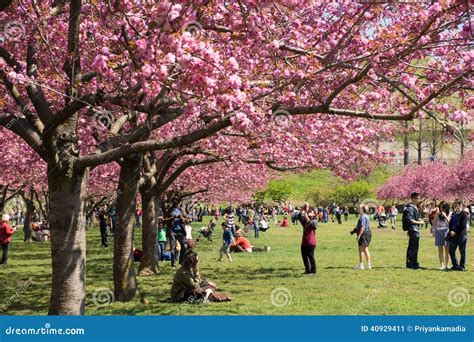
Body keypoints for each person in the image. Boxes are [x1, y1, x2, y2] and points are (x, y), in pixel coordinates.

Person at [402, 192, 427, 270]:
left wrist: (422, 219)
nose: (419, 199)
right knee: (414, 247)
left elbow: (415, 218)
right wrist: (420, 222)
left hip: (415, 229)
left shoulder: (414, 207)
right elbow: (409, 220)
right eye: (418, 198)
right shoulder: (410, 208)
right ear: (413, 199)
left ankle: (412, 263)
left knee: (413, 247)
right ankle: (412, 264)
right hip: (413, 230)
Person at [165, 198, 187, 268]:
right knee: (173, 248)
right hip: (172, 231)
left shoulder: (180, 210)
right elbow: (165, 220)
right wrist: (172, 218)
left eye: (176, 201)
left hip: (180, 231)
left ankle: (181, 261)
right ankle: (173, 264)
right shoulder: (169, 210)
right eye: (173, 201)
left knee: (184, 246)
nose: (175, 202)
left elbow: (185, 219)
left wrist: (181, 218)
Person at [448, 201, 469, 271]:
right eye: (455, 206)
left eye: (457, 206)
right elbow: (450, 224)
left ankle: (462, 266)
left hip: (461, 235)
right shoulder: (454, 214)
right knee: (451, 250)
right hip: (453, 235)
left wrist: (455, 232)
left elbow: (463, 225)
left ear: (461, 206)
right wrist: (451, 230)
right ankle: (455, 265)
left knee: (462, 251)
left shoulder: (464, 214)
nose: (456, 207)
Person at [431, 202, 451, 271]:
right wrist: (437, 216)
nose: (441, 209)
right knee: (440, 249)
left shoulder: (449, 213)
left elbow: (449, 223)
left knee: (447, 250)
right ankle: (442, 265)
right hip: (439, 231)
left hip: (447, 232)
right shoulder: (437, 213)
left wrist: (445, 216)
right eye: (440, 207)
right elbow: (434, 223)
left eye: (443, 207)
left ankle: (447, 265)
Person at [298, 205, 317, 276]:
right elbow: (299, 216)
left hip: (311, 243)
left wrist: (305, 212)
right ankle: (307, 270)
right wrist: (302, 208)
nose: (309, 213)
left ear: (314, 214)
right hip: (304, 242)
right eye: (309, 212)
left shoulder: (314, 221)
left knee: (311, 257)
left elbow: (310, 222)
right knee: (304, 257)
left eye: (311, 212)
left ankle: (313, 271)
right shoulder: (304, 222)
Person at [353, 205, 372, 270]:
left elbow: (362, 227)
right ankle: (368, 265)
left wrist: (359, 236)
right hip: (368, 233)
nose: (358, 209)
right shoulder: (366, 216)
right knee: (366, 249)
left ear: (362, 209)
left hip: (364, 233)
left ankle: (361, 265)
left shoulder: (363, 217)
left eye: (359, 208)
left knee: (361, 249)